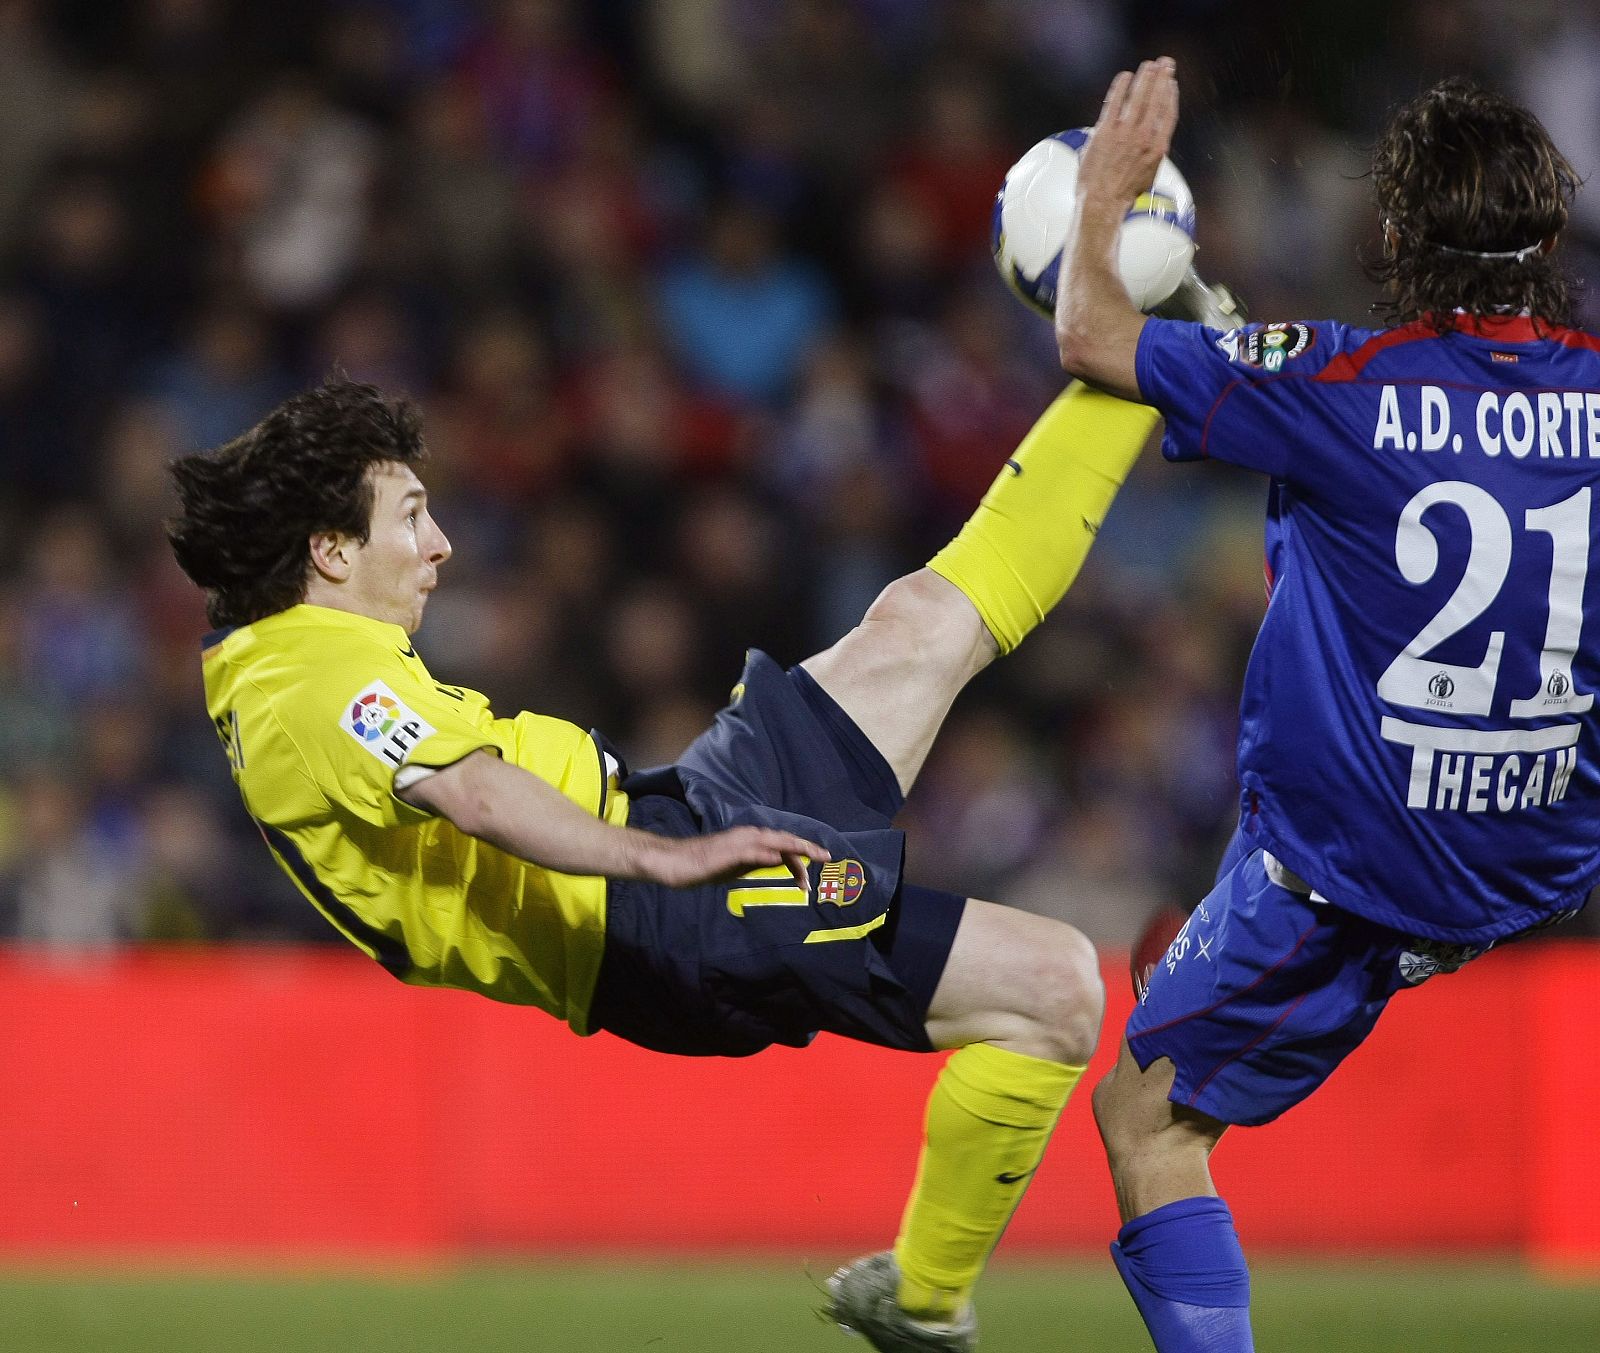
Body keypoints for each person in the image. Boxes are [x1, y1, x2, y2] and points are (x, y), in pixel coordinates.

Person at [167, 368, 1161, 1352]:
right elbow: (472, 795)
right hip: (653, 920)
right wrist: (655, 861)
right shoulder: (309, 686)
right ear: (332, 550)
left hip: (669, 807)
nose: (440, 544)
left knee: (919, 623)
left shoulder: (290, 658)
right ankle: (927, 1297)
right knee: (1057, 986)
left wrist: (658, 835)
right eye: (412, 517)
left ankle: (1140, 357)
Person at [1058, 60, 1599, 1352]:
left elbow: (1087, 335)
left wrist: (1101, 202)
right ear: (1553, 239)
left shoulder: (1336, 381)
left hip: (1353, 865)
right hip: (1541, 855)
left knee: (1144, 1113)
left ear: (1398, 238)